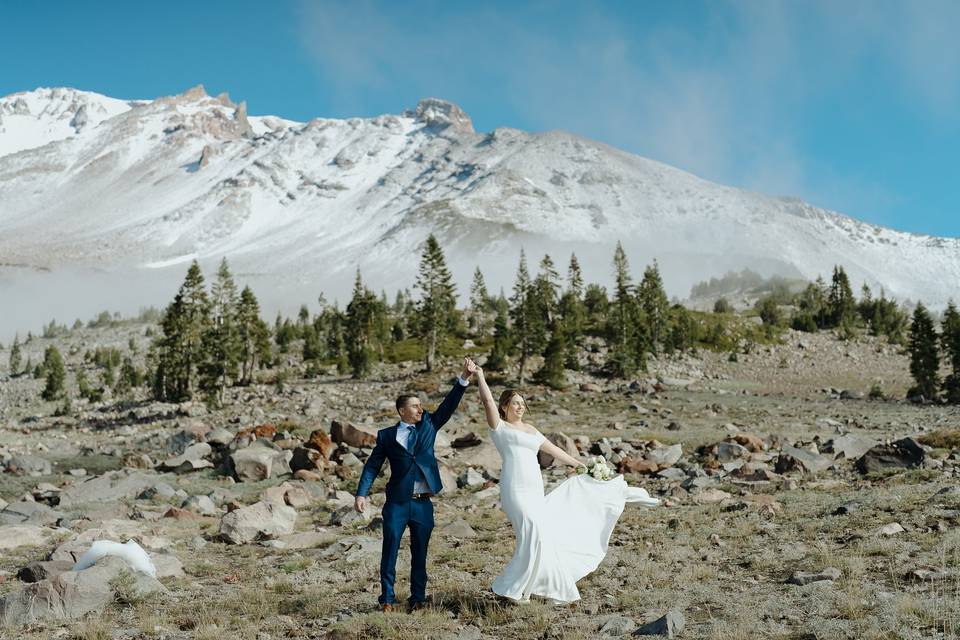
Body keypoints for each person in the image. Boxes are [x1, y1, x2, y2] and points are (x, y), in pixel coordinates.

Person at [469, 360, 659, 603]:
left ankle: (527, 590)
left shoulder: (531, 430)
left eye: (523, 403)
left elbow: (555, 451)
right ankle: (511, 587)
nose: (520, 407)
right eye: (515, 403)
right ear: (504, 406)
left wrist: (581, 465)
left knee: (539, 536)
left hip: (534, 488)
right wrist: (481, 376)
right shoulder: (500, 428)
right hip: (514, 489)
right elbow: (486, 401)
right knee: (533, 532)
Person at [354, 358, 474, 613]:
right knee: (390, 551)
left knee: (420, 553)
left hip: (422, 504)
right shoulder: (386, 435)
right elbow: (373, 465)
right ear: (402, 411)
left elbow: (448, 405)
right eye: (415, 406)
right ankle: (387, 599)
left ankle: (417, 598)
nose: (421, 409)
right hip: (396, 503)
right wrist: (361, 493)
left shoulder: (429, 424)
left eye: (421, 405)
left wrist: (463, 379)